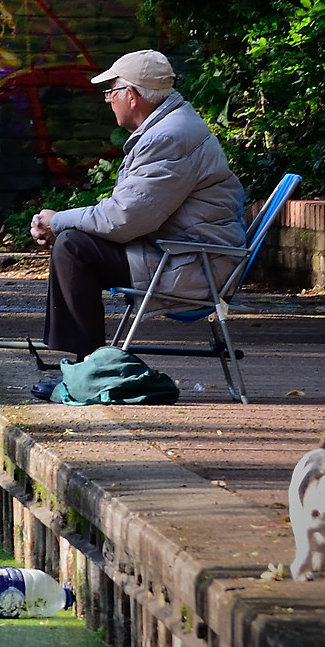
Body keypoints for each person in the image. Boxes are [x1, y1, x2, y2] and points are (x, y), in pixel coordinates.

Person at [28, 49, 247, 392]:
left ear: (131, 96)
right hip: (179, 254)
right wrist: (65, 224)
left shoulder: (169, 137)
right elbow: (131, 209)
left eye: (110, 92)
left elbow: (126, 218)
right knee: (74, 242)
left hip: (190, 264)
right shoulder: (170, 126)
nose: (107, 101)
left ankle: (89, 374)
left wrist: (59, 222)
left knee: (73, 247)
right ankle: (85, 368)